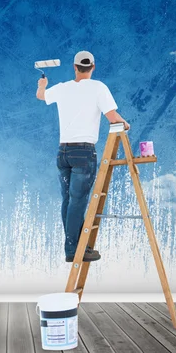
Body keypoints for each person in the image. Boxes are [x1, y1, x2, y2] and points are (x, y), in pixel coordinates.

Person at [36, 51, 130, 262]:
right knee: (77, 202)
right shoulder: (98, 88)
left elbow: (41, 96)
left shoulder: (62, 88)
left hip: (63, 153)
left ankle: (76, 245)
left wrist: (42, 85)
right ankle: (73, 249)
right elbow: (112, 116)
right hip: (84, 153)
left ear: (75, 67)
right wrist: (125, 123)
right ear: (93, 67)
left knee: (69, 200)